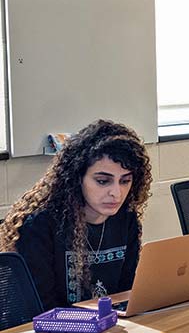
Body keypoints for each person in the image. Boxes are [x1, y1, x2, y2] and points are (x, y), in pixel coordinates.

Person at [0, 120, 152, 310]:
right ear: (77, 178)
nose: (117, 193)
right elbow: (41, 308)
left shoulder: (126, 218)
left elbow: (127, 292)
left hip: (112, 328)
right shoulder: (38, 226)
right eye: (103, 181)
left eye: (125, 181)